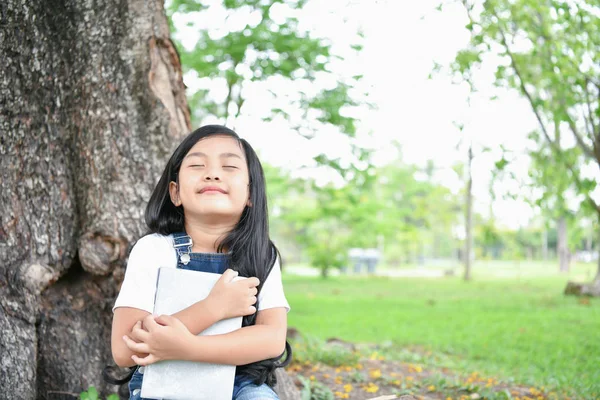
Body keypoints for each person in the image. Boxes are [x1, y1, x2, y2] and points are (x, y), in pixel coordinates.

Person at [110, 125, 291, 400]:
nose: (213, 173)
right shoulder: (154, 250)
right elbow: (125, 351)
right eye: (197, 165)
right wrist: (213, 308)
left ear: (251, 194)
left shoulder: (263, 254)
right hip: (161, 387)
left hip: (239, 385)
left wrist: (189, 346)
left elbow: (272, 338)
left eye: (229, 166)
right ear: (175, 192)